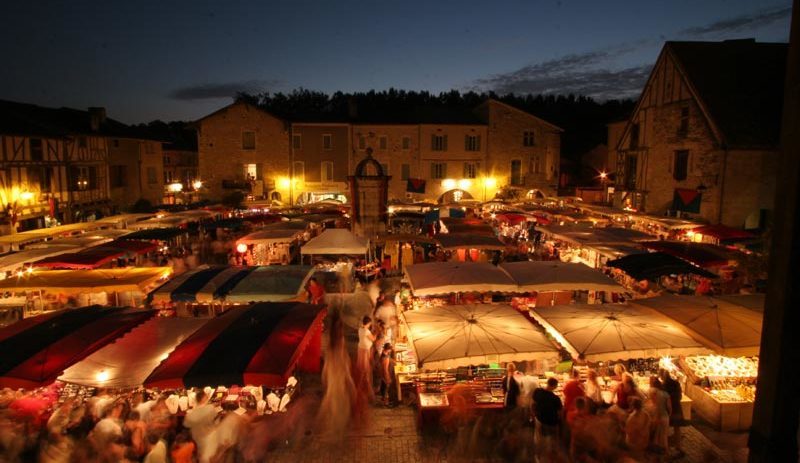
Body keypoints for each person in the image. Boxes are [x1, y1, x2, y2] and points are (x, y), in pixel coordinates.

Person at [533, 377, 562, 457]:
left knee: (539, 439)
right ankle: (550, 457)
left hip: (539, 419)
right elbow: (560, 413)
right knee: (552, 441)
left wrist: (534, 414)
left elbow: (533, 404)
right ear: (555, 386)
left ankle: (538, 456)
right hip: (552, 422)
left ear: (547, 383)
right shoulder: (556, 399)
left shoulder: (537, 392)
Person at [659, 368, 685, 457]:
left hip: (669, 410)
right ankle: (679, 447)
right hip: (677, 408)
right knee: (677, 429)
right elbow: (680, 397)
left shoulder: (664, 386)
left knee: (665, 429)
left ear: (662, 376)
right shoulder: (676, 383)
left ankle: (667, 449)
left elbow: (664, 400)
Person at [647, 376, 672, 456]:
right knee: (664, 436)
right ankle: (666, 453)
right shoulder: (666, 394)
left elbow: (651, 404)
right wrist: (669, 414)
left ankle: (656, 454)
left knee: (656, 435)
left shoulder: (653, 392)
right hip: (664, 416)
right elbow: (669, 407)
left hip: (655, 416)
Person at [355, 316, 376, 401]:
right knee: (365, 368)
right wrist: (376, 333)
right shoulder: (367, 331)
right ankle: (365, 385)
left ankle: (362, 383)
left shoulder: (360, 329)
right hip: (365, 350)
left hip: (361, 348)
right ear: (368, 323)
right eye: (370, 323)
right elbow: (373, 339)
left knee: (361, 366)